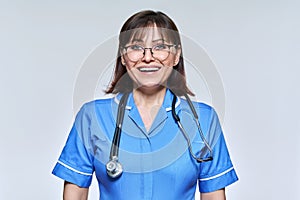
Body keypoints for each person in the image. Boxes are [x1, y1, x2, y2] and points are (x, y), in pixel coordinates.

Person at [52, 10, 238, 200]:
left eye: (160, 46)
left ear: (176, 55)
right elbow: (76, 193)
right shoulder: (92, 117)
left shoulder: (204, 120)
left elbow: (213, 195)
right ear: (123, 57)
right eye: (136, 47)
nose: (148, 57)